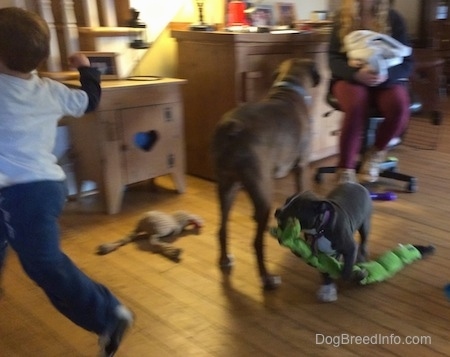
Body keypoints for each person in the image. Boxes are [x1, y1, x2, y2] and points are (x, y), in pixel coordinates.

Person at [0, 7, 133, 356]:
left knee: (42, 263)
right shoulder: (49, 89)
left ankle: (108, 314)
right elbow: (89, 102)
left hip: (24, 193)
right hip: (42, 187)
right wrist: (87, 69)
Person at [328, 0, 413, 183]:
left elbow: (407, 63)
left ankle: (375, 154)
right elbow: (333, 59)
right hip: (350, 79)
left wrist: (386, 75)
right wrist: (355, 74)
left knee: (399, 106)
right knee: (357, 104)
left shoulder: (393, 18)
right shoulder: (341, 18)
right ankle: (346, 168)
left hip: (385, 80)